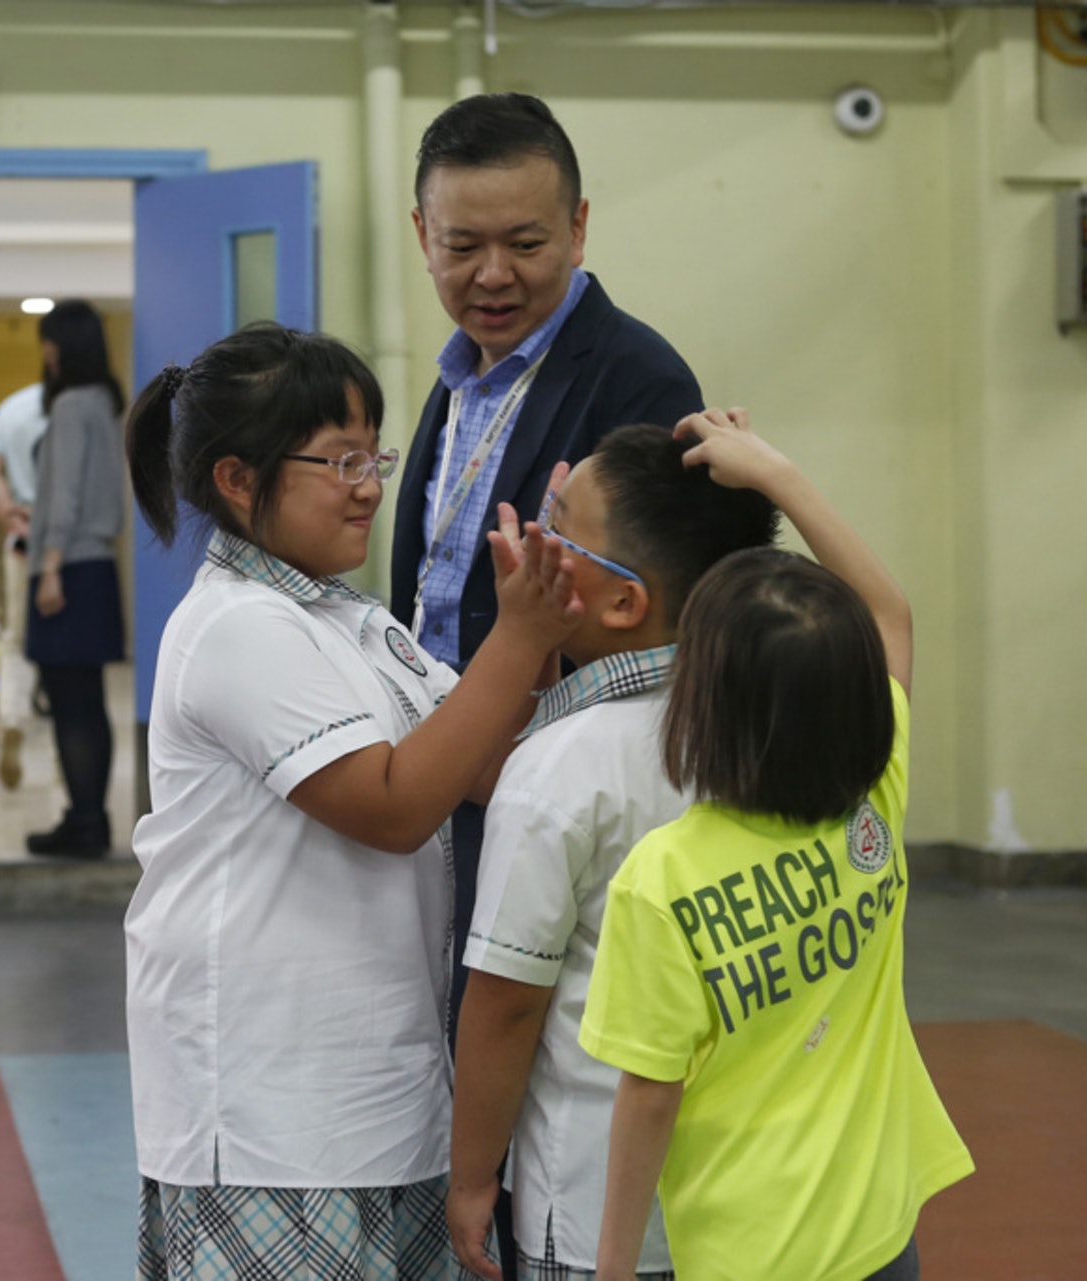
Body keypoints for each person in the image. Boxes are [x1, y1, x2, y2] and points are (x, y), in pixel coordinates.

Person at [123, 324, 581, 1279]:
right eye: (339, 460)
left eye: (374, 453)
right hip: (268, 1118)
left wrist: (536, 647)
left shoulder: (355, 620)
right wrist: (514, 638)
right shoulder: (235, 627)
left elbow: (490, 765)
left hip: (378, 1100)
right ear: (238, 480)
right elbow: (393, 806)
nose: (371, 483)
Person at [391, 89, 709, 1272]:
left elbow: (644, 622)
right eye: (462, 244)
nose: (493, 273)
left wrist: (495, 762)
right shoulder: (457, 380)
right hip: (454, 786)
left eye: (525, 243)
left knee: (549, 1040)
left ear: (579, 226)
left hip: (549, 785)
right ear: (418, 232)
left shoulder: (635, 381)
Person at [580, 409, 974, 1281]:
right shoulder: (878, 786)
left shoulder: (664, 879)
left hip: (749, 1251)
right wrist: (777, 476)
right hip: (879, 1229)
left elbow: (649, 1096)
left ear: (703, 703)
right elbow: (891, 614)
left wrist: (610, 1268)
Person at [447, 424, 779, 1281]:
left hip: (596, 1211)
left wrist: (472, 1172)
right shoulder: (772, 725)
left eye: (556, 531)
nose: (529, 544)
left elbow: (509, 1001)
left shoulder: (562, 764)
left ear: (625, 602)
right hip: (753, 1204)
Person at [23, 300, 126, 858]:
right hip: (98, 566)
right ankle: (90, 817)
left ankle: (83, 821)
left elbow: (63, 495)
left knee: (69, 704)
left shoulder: (68, 406)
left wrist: (51, 566)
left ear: (59, 346)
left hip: (67, 568)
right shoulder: (107, 406)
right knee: (88, 701)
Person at [0, 381, 49, 791]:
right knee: (64, 650)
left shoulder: (11, 407)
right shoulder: (79, 403)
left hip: (21, 531)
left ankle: (11, 721)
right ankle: (62, 755)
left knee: (17, 640)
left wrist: (9, 514)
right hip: (68, 537)